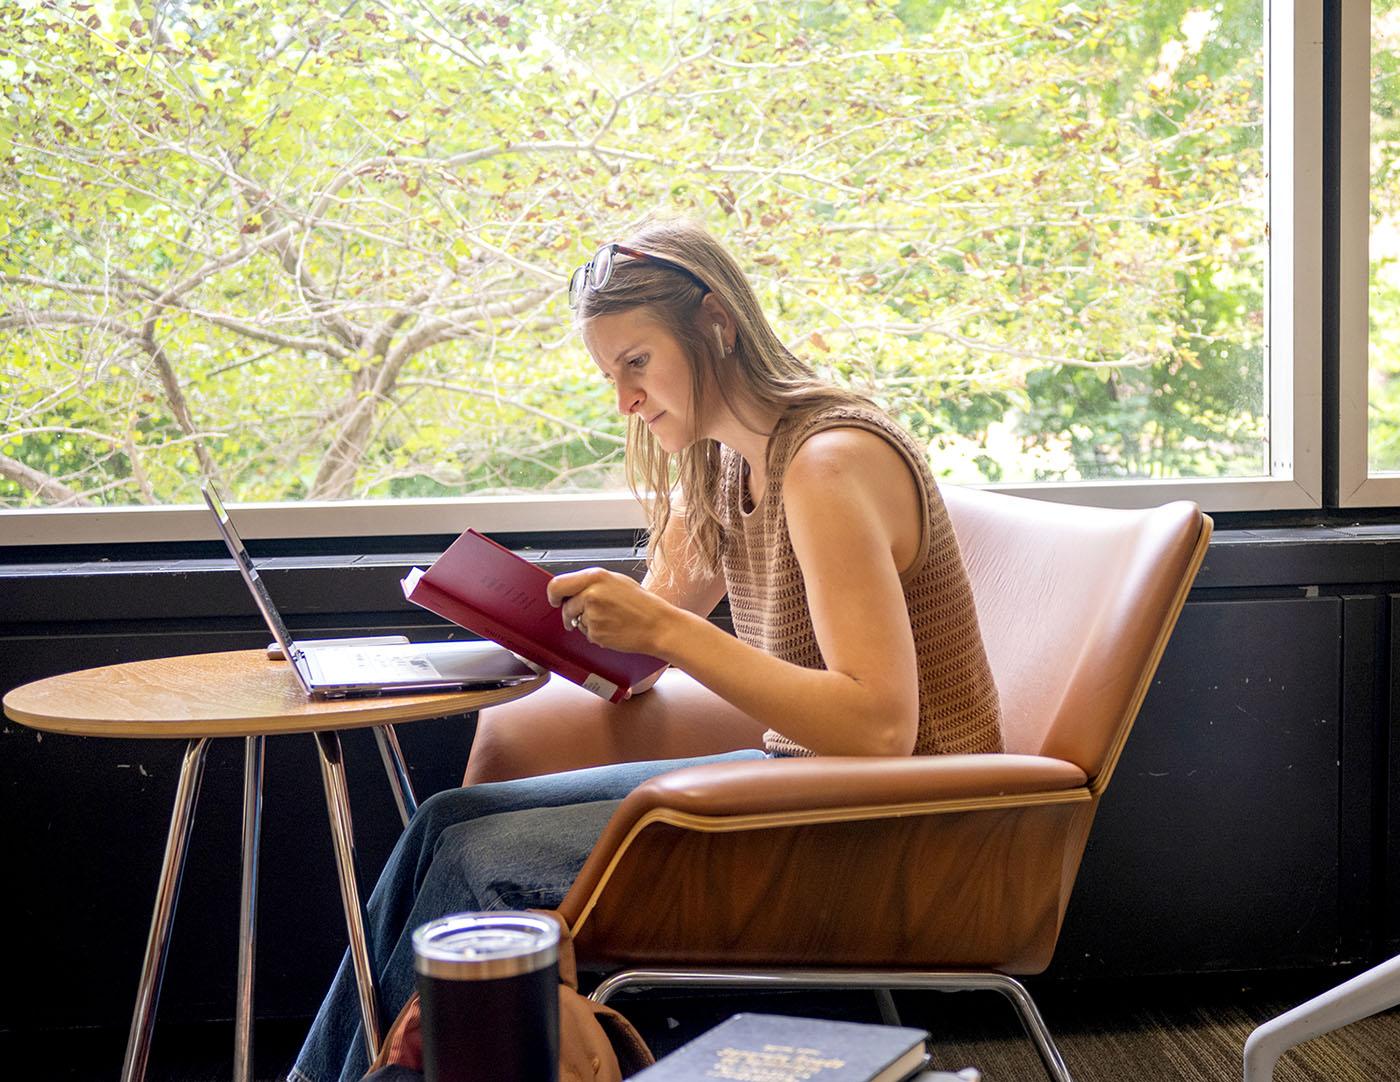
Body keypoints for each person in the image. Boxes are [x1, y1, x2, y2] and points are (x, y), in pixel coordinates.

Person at [288, 219, 1003, 1082]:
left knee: (483, 867)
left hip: (904, 820)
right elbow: (649, 642)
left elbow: (882, 727)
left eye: (636, 362)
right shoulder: (733, 465)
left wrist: (663, 629)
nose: (623, 400)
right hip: (811, 784)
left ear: (717, 324)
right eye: (608, 374)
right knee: (447, 819)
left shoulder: (828, 463)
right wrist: (538, 629)